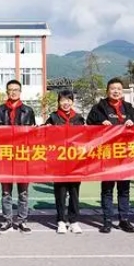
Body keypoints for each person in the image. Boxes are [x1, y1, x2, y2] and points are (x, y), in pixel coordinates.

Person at [86, 77, 134, 234]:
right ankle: (107, 221)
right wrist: (100, 125)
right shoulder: (98, 108)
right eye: (113, 89)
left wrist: (133, 124)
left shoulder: (129, 108)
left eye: (119, 89)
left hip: (125, 155)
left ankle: (124, 220)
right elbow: (88, 127)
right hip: (107, 155)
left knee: (124, 189)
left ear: (122, 92)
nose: (116, 91)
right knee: (107, 189)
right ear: (107, 91)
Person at [0, 79, 36, 234]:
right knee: (6, 192)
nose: (13, 92)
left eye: (16, 89)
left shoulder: (28, 111)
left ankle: (22, 220)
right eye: (10, 90)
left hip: (22, 155)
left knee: (23, 192)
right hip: (5, 155)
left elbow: (33, 134)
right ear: (7, 92)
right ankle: (7, 221)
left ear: (20, 91)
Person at [45, 89, 85, 234]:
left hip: (75, 161)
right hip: (59, 161)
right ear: (58, 102)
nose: (65, 103)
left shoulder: (79, 118)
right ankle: (61, 221)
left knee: (74, 192)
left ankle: (74, 221)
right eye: (62, 100)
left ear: (72, 102)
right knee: (60, 193)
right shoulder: (53, 117)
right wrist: (46, 128)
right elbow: (44, 136)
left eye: (68, 100)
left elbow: (85, 137)